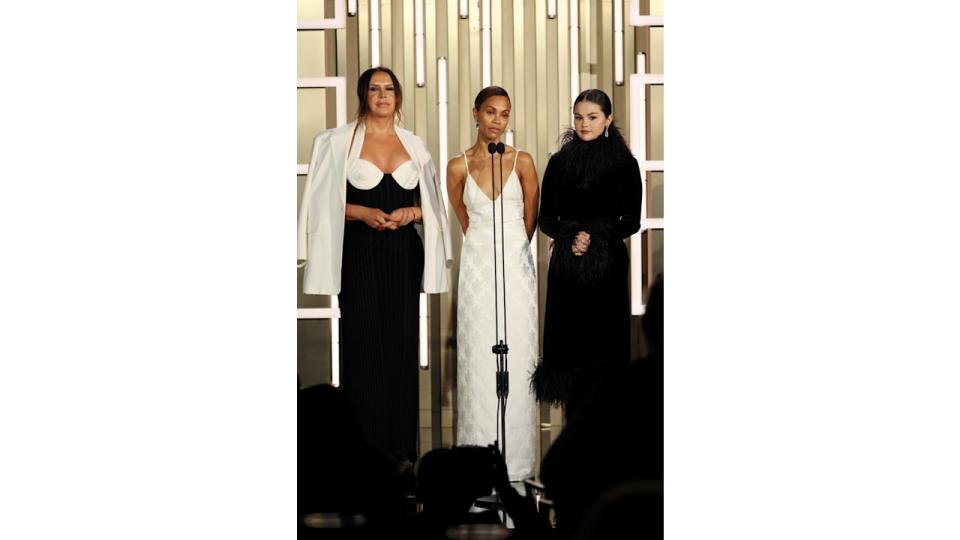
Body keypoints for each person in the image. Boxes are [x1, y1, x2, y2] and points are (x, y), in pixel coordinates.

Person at [297, 67, 452, 461]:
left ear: (398, 97)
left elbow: (432, 207)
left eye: (388, 89)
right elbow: (319, 204)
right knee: (363, 349)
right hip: (359, 251)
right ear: (363, 95)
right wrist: (361, 212)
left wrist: (410, 215)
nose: (382, 95)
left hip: (402, 254)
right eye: (373, 89)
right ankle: (363, 456)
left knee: (401, 349)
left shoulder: (415, 145)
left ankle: (402, 455)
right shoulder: (335, 142)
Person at [446, 86, 540, 481]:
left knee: (517, 359)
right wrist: (485, 250)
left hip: (516, 270)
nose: (497, 121)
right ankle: (476, 457)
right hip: (477, 270)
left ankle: (516, 460)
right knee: (479, 359)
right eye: (490, 112)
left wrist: (516, 252)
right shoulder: (457, 167)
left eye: (504, 114)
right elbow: (464, 218)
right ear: (475, 114)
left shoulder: (522, 161)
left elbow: (531, 216)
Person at [532, 88, 643, 418]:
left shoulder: (625, 164)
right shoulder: (560, 162)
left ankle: (607, 434)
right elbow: (546, 218)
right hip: (568, 266)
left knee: (605, 346)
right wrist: (571, 236)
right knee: (570, 349)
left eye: (592, 117)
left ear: (608, 119)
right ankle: (573, 437)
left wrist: (595, 236)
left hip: (607, 265)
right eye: (578, 117)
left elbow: (632, 220)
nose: (584, 124)